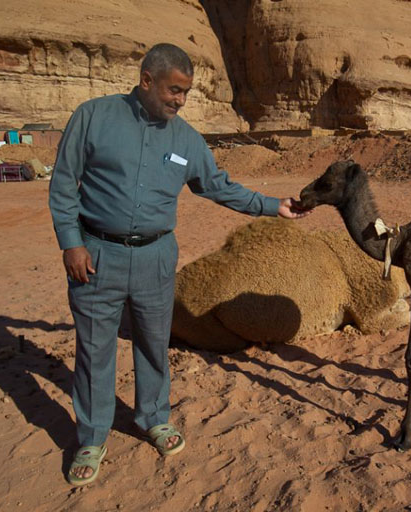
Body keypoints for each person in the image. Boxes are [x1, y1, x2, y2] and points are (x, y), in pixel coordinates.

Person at [48, 43, 309, 486]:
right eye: (174, 90)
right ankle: (91, 437)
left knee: (153, 342)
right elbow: (62, 186)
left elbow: (218, 186)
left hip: (156, 258)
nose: (180, 101)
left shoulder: (187, 139)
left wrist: (271, 206)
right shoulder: (93, 116)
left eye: (186, 93)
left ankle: (152, 417)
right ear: (146, 80)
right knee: (94, 349)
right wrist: (71, 244)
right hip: (96, 255)